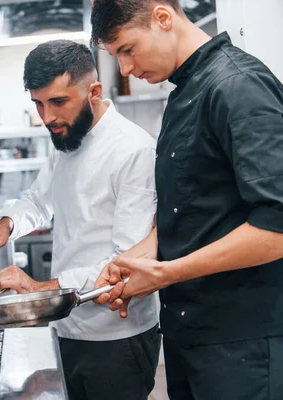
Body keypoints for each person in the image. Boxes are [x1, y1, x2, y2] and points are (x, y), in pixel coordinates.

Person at [90, 1, 283, 399]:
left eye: (127, 49)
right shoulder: (182, 94)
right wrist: (146, 254)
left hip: (243, 347)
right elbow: (192, 206)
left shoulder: (237, 85)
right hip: (189, 339)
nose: (125, 70)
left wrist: (167, 273)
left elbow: (277, 226)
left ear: (163, 18)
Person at [0, 40, 161, 400]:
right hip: (67, 328)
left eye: (58, 102)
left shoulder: (133, 150)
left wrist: (40, 290)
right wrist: (7, 223)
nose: (47, 117)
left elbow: (128, 261)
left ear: (94, 91)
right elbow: (40, 200)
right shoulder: (67, 138)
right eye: (38, 104)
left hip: (117, 338)